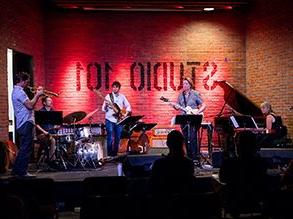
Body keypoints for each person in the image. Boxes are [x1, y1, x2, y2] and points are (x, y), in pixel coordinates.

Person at [219, 131, 268, 217]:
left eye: (238, 144)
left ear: (238, 146)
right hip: (255, 201)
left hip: (234, 203)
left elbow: (222, 179)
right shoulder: (261, 163)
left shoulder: (229, 163)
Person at [11, 72, 43, 177]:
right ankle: (22, 172)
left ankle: (16, 170)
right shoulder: (19, 92)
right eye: (27, 82)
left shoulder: (17, 91)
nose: (27, 84)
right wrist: (38, 95)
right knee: (26, 148)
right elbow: (30, 105)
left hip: (24, 122)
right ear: (22, 81)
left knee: (24, 148)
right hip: (25, 122)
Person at [149, 130, 195, 195]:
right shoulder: (189, 163)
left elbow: (152, 186)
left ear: (167, 144)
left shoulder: (159, 164)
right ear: (182, 143)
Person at [174, 77, 206, 163]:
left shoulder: (195, 94)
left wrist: (198, 112)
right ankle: (188, 156)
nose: (184, 85)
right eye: (183, 83)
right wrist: (174, 106)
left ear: (190, 85)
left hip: (193, 118)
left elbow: (203, 105)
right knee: (185, 137)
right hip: (184, 118)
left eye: (186, 83)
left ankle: (195, 157)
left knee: (193, 137)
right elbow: (177, 106)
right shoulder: (180, 95)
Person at [102, 81, 131, 157]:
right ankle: (109, 155)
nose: (114, 88)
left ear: (119, 88)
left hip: (119, 120)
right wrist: (106, 107)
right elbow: (103, 108)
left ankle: (114, 155)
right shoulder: (108, 96)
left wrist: (125, 113)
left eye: (116, 87)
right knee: (110, 137)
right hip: (109, 119)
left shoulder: (122, 96)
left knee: (118, 137)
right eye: (113, 87)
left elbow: (128, 106)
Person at [35, 96, 58, 162]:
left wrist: (56, 126)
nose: (51, 102)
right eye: (49, 100)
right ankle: (51, 160)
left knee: (61, 139)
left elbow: (56, 123)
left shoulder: (53, 111)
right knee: (52, 140)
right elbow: (37, 125)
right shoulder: (41, 112)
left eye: (51, 100)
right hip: (42, 134)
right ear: (44, 103)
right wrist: (45, 132)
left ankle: (57, 157)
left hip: (51, 133)